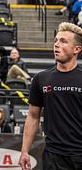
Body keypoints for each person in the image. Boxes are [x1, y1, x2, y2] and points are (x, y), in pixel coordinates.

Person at [19, 22, 82, 170]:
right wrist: (24, 150)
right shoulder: (41, 78)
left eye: (63, 41)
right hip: (53, 156)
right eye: (56, 40)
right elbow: (33, 116)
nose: (56, 45)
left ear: (77, 49)